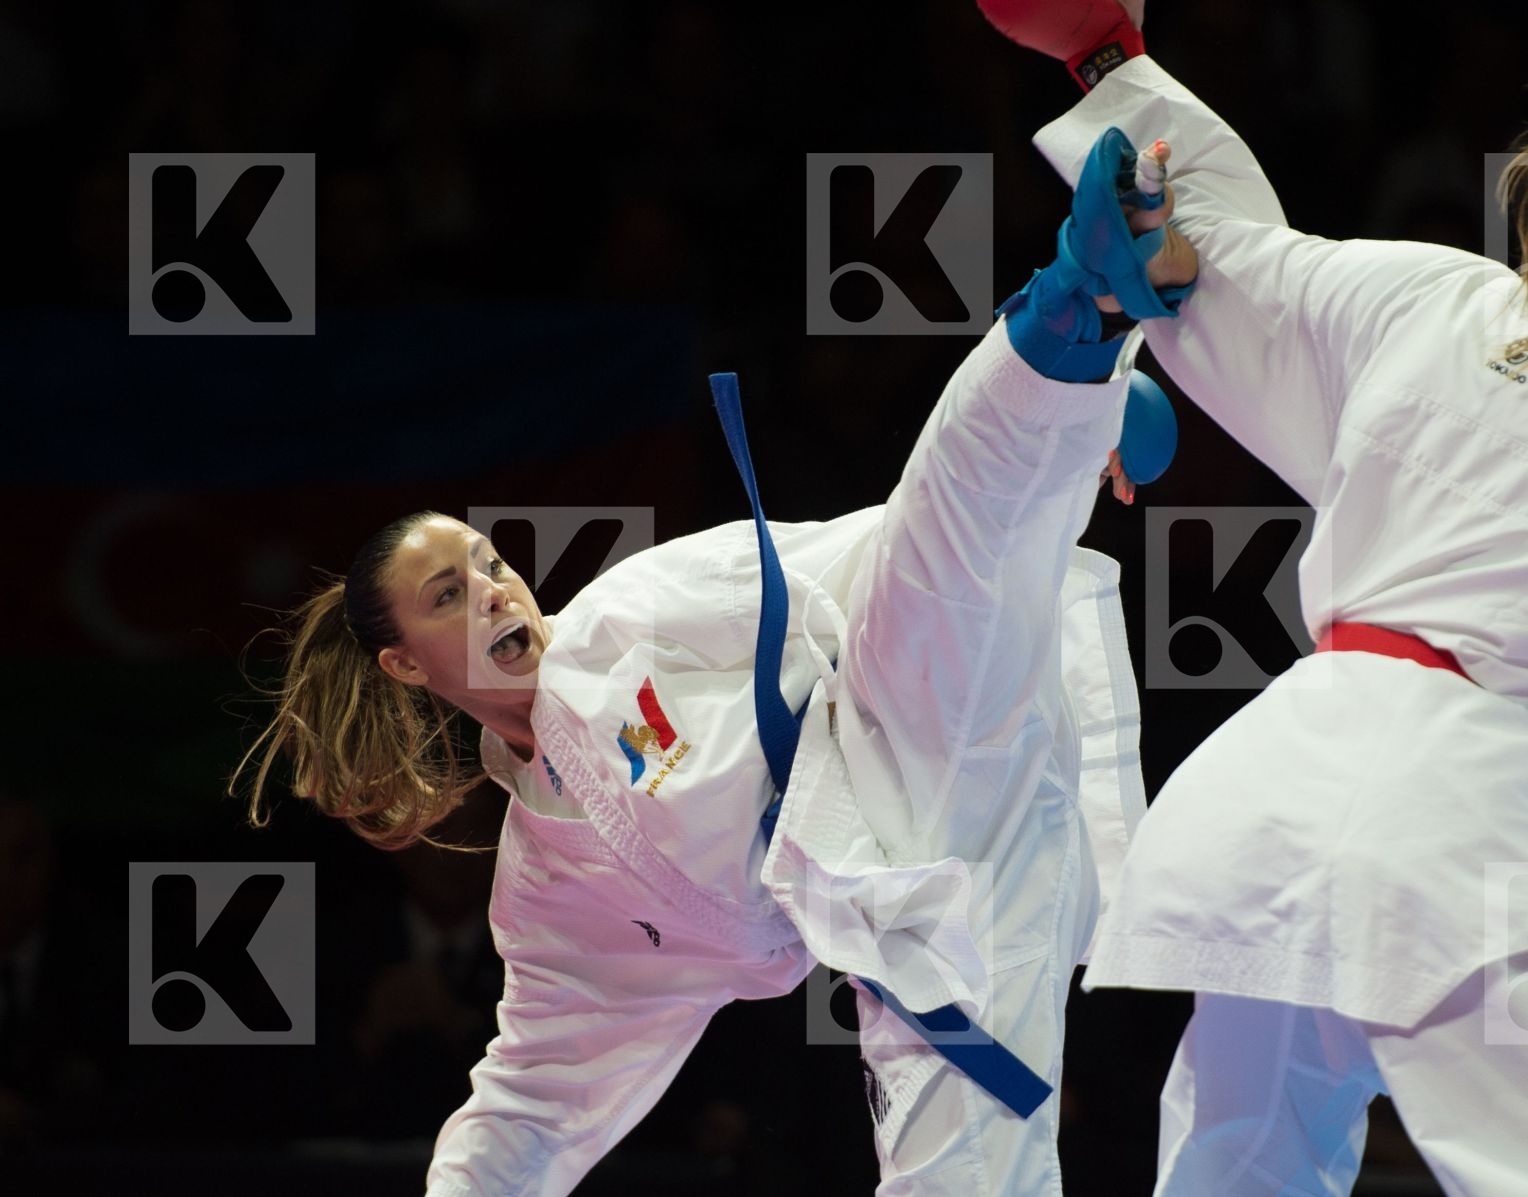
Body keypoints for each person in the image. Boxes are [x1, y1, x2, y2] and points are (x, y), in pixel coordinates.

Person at [234, 130, 1197, 1195]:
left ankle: (1082, 294)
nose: (496, 590)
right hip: (924, 910)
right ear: (407, 666)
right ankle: (1075, 349)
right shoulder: (546, 890)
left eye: (490, 562)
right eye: (449, 597)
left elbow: (882, 548)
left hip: (906, 704)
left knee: (932, 553)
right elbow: (532, 1098)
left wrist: (1055, 457)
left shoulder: (624, 616)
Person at [981, 3, 1528, 1194]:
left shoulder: (1421, 302)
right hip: (1460, 844)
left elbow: (1202, 242)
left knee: (1239, 1175)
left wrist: (1106, 52)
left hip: (1283, 804)